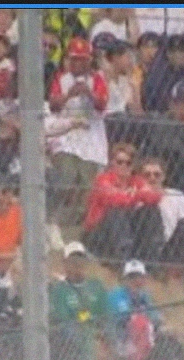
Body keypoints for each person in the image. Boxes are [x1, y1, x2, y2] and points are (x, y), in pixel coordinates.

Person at [47, 36, 110, 226]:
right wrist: (69, 95)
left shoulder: (97, 78)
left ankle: (78, 224)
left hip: (91, 139)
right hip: (67, 137)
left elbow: (102, 104)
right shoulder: (62, 78)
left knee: (88, 185)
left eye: (82, 59)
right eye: (74, 59)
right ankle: (54, 220)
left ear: (89, 60)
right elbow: (53, 105)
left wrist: (88, 93)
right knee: (66, 178)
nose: (78, 64)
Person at [82, 143, 164, 263]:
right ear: (112, 163)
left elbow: (154, 197)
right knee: (116, 211)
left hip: (126, 230)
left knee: (150, 210)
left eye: (128, 163)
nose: (124, 166)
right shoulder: (103, 179)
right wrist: (136, 195)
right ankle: (124, 261)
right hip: (99, 233)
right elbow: (112, 200)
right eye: (119, 162)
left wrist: (130, 194)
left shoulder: (136, 181)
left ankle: (152, 257)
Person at [50, 242, 110, 360]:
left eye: (81, 260)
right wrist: (88, 317)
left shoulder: (96, 286)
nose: (77, 264)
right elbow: (66, 318)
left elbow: (105, 314)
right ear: (65, 264)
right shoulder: (60, 290)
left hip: (97, 334)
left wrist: (87, 318)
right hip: (72, 339)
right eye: (73, 260)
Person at [137, 157, 184, 266]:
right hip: (146, 246)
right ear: (140, 177)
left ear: (164, 176)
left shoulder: (177, 196)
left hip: (172, 246)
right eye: (147, 175)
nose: (152, 178)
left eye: (157, 175)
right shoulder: (136, 197)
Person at [107, 259, 165, 360]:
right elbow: (124, 318)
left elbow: (157, 317)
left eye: (139, 276)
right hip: (122, 339)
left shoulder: (144, 296)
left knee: (167, 339)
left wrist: (149, 320)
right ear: (125, 279)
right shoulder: (117, 295)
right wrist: (144, 317)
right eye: (132, 277)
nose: (135, 280)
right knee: (139, 323)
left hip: (144, 339)